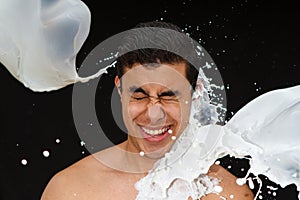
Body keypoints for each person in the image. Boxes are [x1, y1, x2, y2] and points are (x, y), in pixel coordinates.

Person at [41, 21, 254, 199]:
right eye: (140, 96)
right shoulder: (70, 190)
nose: (154, 114)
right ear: (120, 90)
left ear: (195, 92)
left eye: (169, 95)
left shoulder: (226, 193)